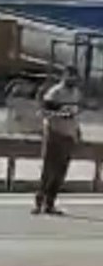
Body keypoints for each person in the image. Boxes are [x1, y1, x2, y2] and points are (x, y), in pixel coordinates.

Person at [33, 67, 82, 215]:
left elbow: (76, 115)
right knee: (49, 170)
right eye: (70, 77)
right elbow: (43, 111)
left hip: (68, 136)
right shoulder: (55, 93)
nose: (73, 80)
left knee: (61, 171)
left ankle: (50, 203)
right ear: (64, 77)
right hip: (55, 134)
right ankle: (39, 202)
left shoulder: (76, 93)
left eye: (75, 77)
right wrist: (60, 113)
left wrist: (77, 131)